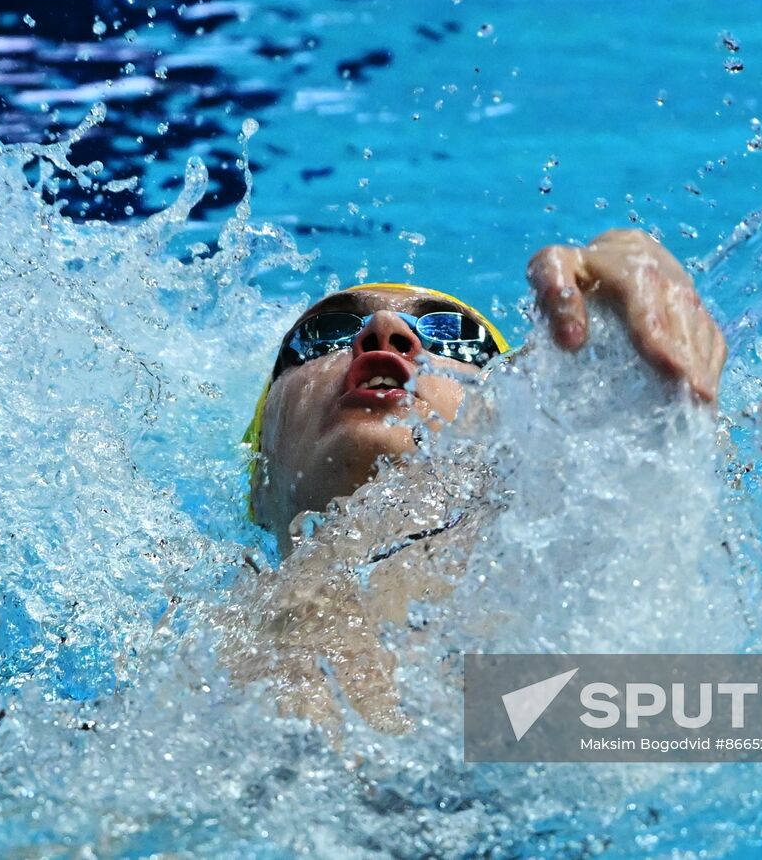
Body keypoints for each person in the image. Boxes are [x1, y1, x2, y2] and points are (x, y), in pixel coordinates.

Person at [219, 228, 727, 731]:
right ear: (260, 478)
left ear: (506, 433)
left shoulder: (563, 667)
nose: (385, 331)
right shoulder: (164, 646)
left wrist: (617, 349)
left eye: (456, 338)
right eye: (326, 331)